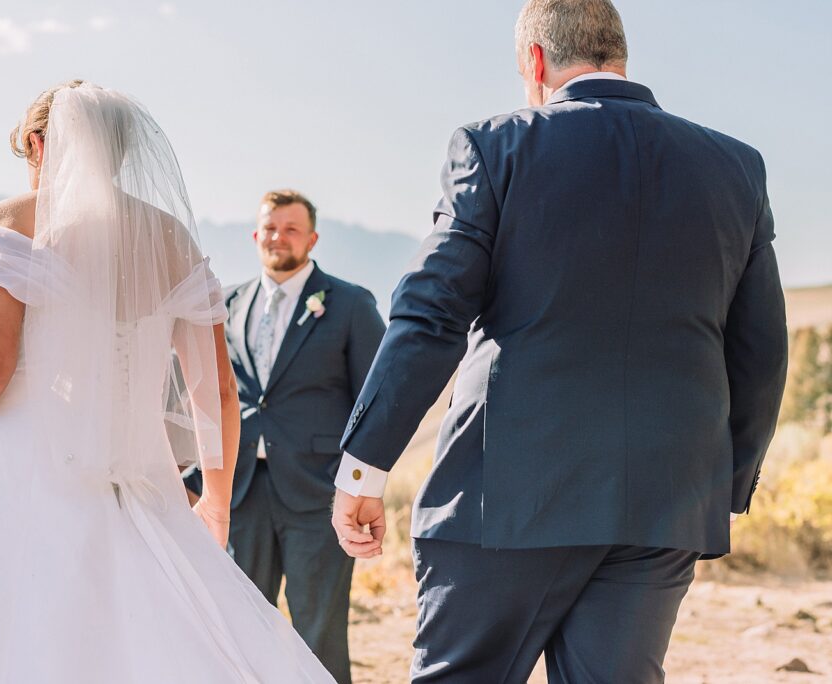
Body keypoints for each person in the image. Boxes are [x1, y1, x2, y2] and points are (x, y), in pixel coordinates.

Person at [331, 1, 789, 682]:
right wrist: (720, 483)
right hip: (663, 504)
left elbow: (429, 318)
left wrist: (365, 466)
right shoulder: (735, 167)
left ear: (535, 61)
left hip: (506, 499)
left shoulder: (493, 147)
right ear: (619, 55)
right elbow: (761, 351)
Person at [0, 81, 334, 683]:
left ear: (37, 144)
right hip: (139, 482)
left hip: (17, 479)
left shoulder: (12, 222)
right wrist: (216, 501)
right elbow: (215, 390)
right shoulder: (170, 239)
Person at [185, 190, 386, 683]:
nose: (278, 237)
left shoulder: (351, 304)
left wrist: (360, 483)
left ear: (312, 239)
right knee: (238, 626)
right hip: (243, 492)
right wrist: (195, 476)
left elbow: (377, 399)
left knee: (318, 630)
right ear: (256, 235)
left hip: (318, 495)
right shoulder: (227, 305)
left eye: (291, 229)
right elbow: (211, 397)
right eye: (270, 228)